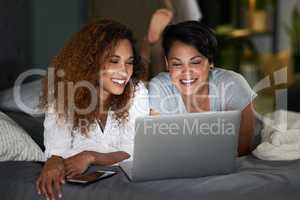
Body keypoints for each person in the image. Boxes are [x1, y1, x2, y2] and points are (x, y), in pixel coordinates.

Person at [36, 19, 149, 200]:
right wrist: (53, 162)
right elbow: (57, 148)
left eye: (129, 62)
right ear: (91, 62)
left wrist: (91, 156)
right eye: (114, 61)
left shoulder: (137, 92)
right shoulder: (63, 93)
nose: (124, 71)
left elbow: (137, 149)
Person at [148, 21, 257, 156]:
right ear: (167, 63)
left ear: (210, 61)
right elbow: (159, 148)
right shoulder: (160, 87)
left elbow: (243, 149)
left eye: (195, 62)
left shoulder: (232, 83)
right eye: (177, 64)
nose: (186, 72)